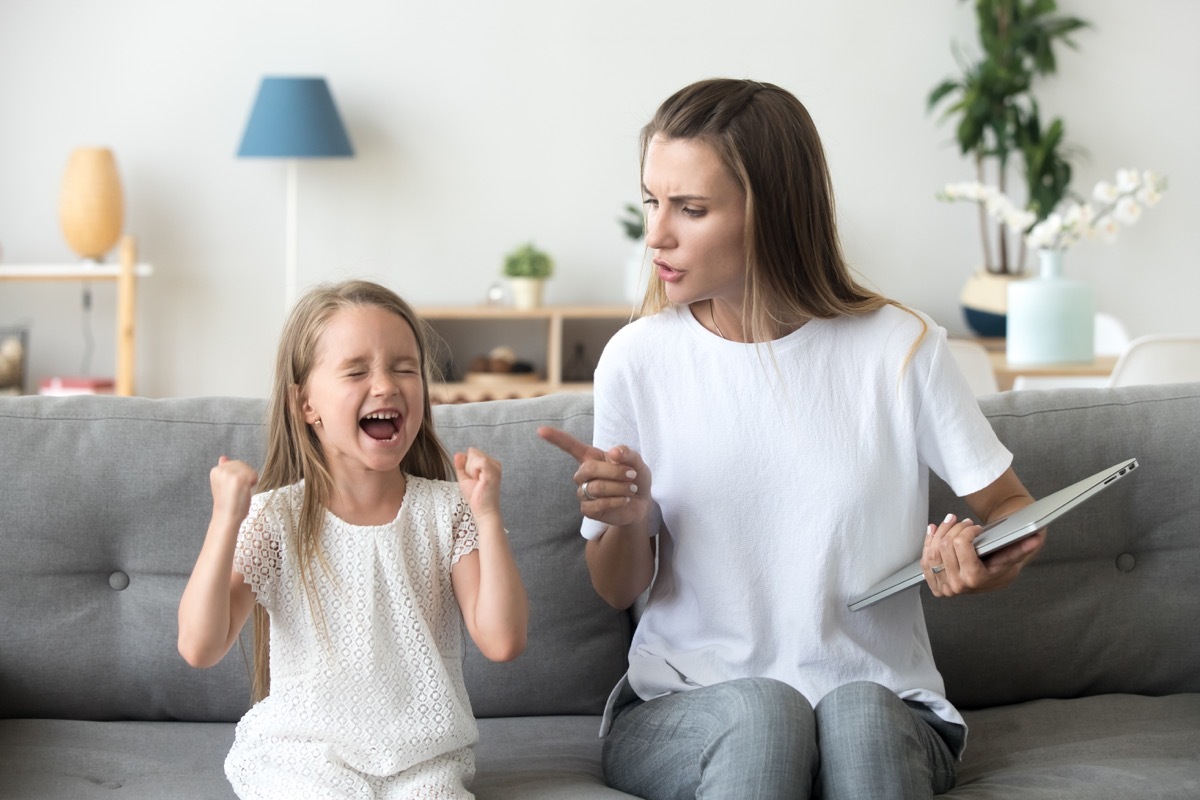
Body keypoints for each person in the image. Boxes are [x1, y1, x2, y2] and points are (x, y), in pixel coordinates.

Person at [538, 78, 1043, 800]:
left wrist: (982, 559)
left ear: (771, 213)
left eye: (691, 208)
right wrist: (623, 521)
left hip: (883, 702)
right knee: (765, 712)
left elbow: (1014, 510)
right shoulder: (637, 359)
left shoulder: (901, 348)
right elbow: (615, 586)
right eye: (652, 202)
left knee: (860, 714)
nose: (657, 234)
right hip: (685, 706)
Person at [178, 280, 528, 799]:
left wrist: (489, 516)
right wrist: (226, 519)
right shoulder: (276, 519)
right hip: (303, 757)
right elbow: (199, 646)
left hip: (422, 761)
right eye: (357, 370)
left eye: (404, 367)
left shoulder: (447, 510)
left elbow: (502, 640)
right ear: (306, 405)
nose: (386, 385)